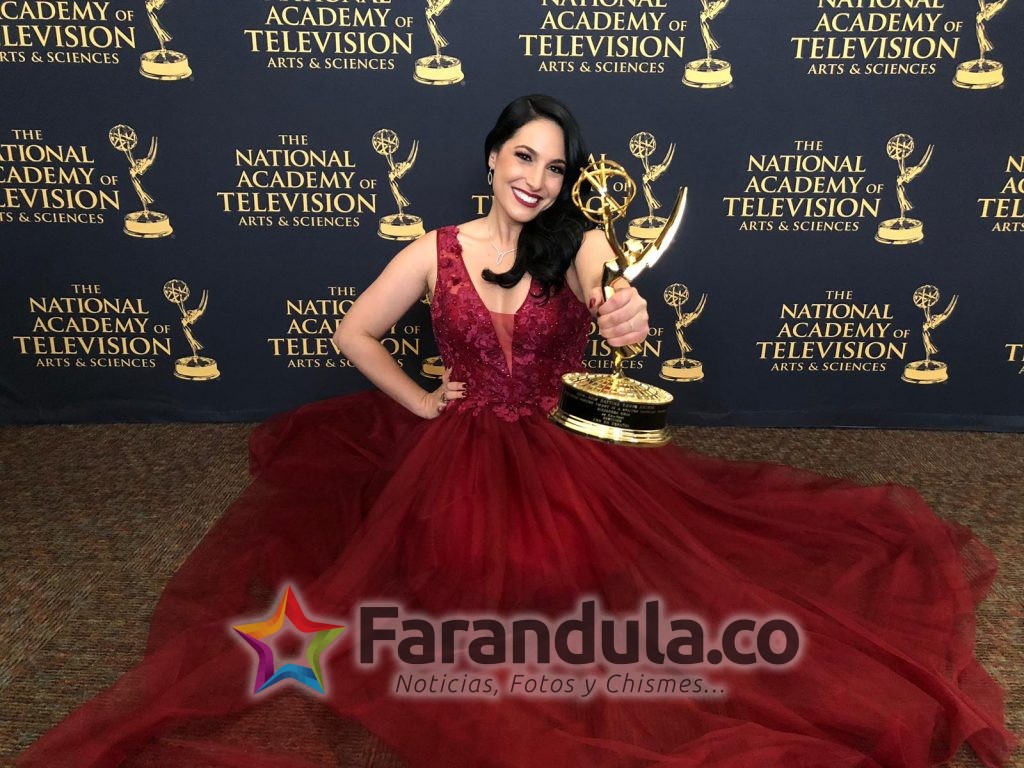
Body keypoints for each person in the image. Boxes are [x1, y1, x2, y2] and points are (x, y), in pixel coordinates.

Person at [19, 95, 1017, 768]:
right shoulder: (435, 250)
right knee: (456, 591)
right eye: (524, 156)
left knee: (590, 589)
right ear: (494, 157)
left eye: (555, 166)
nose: (536, 177)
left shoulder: (578, 242)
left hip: (561, 449)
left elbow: (612, 297)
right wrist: (419, 403)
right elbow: (354, 332)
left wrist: (624, 312)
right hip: (454, 452)